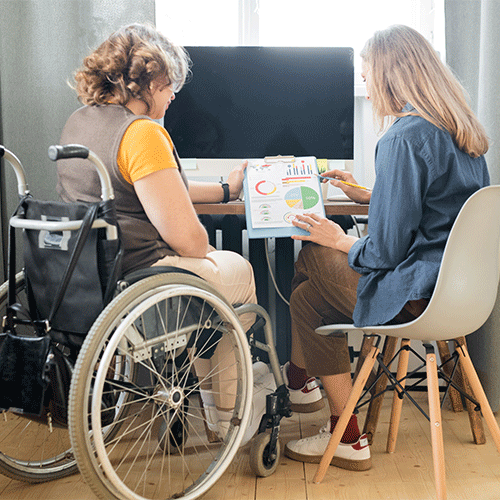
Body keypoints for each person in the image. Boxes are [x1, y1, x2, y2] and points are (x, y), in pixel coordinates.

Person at [283, 24, 490, 471]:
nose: (365, 84)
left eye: (367, 74)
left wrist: (339, 239)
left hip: (415, 298)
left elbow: (387, 252)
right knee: (306, 299)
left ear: (389, 76)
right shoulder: (464, 132)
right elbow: (441, 210)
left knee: (313, 252)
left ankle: (302, 384)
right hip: (459, 294)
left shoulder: (401, 137)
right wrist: (373, 196)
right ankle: (336, 425)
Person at [55, 23, 274, 446]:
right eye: (170, 82)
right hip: (143, 276)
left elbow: (157, 184)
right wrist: (206, 252)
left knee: (211, 281)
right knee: (240, 272)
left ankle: (206, 388)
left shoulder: (80, 123)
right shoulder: (142, 132)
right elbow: (189, 241)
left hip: (86, 276)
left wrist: (228, 189)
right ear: (149, 80)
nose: (174, 94)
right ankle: (227, 417)